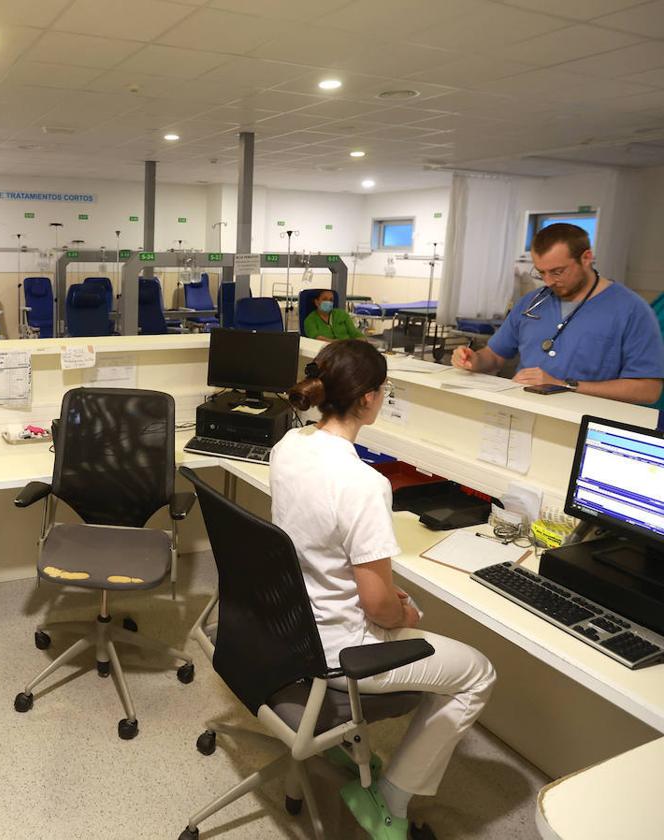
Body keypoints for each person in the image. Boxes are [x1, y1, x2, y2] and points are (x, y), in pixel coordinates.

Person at [270, 340, 496, 840]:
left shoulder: (288, 447)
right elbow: (378, 605)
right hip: (343, 650)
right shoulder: (363, 483)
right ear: (371, 398)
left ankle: (344, 747)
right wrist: (406, 615)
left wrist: (390, 606)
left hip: (293, 630)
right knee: (478, 672)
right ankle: (390, 799)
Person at [452, 223, 663, 405]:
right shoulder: (532, 302)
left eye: (557, 271)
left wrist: (565, 385)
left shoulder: (631, 310)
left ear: (586, 258)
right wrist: (475, 360)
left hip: (585, 424)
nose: (549, 281)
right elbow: (496, 356)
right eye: (541, 272)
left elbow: (648, 390)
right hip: (523, 412)